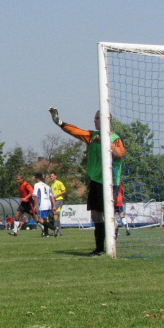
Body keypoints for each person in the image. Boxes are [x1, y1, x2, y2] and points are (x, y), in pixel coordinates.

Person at [49, 107, 125, 256]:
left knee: (108, 214)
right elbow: (76, 132)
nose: (94, 120)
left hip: (111, 183)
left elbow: (120, 153)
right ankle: (99, 249)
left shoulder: (115, 138)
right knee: (95, 215)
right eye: (95, 118)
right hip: (96, 181)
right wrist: (59, 122)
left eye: (97, 118)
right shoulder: (92, 136)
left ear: (106, 120)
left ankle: (111, 241)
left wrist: (105, 143)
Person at [32, 173, 59, 237]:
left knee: (40, 220)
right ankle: (46, 234)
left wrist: (35, 205)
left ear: (37, 178)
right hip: (48, 204)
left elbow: (36, 196)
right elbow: (52, 196)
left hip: (42, 204)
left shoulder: (37, 185)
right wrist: (54, 206)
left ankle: (55, 228)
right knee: (45, 219)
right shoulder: (47, 186)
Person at [49, 172, 66, 236]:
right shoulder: (52, 185)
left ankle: (55, 231)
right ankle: (59, 231)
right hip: (54, 201)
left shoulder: (59, 183)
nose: (51, 177)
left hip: (59, 200)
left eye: (52, 176)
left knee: (56, 215)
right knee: (56, 216)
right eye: (50, 176)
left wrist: (57, 195)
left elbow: (64, 191)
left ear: (55, 176)